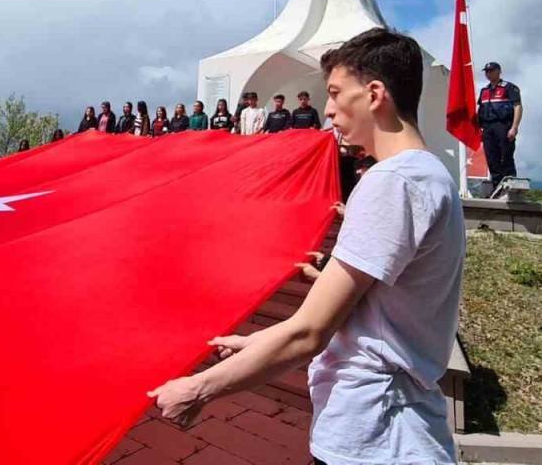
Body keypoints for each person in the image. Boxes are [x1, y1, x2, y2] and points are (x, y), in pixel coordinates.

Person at [149, 28, 466, 465]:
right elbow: (359, 314)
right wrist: (261, 340)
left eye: (336, 93)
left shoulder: (393, 182)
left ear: (374, 94)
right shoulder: (427, 175)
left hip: (376, 437)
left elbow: (309, 332)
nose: (329, 109)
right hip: (394, 430)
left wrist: (198, 389)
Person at [475, 61, 523, 188]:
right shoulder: (484, 90)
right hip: (487, 127)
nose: (489, 73)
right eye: (487, 71)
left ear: (499, 71)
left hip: (503, 125)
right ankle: (496, 186)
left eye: (491, 70)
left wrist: (514, 127)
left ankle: (509, 184)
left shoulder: (508, 87)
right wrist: (478, 128)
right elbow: (480, 110)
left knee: (505, 156)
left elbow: (517, 106)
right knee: (491, 158)